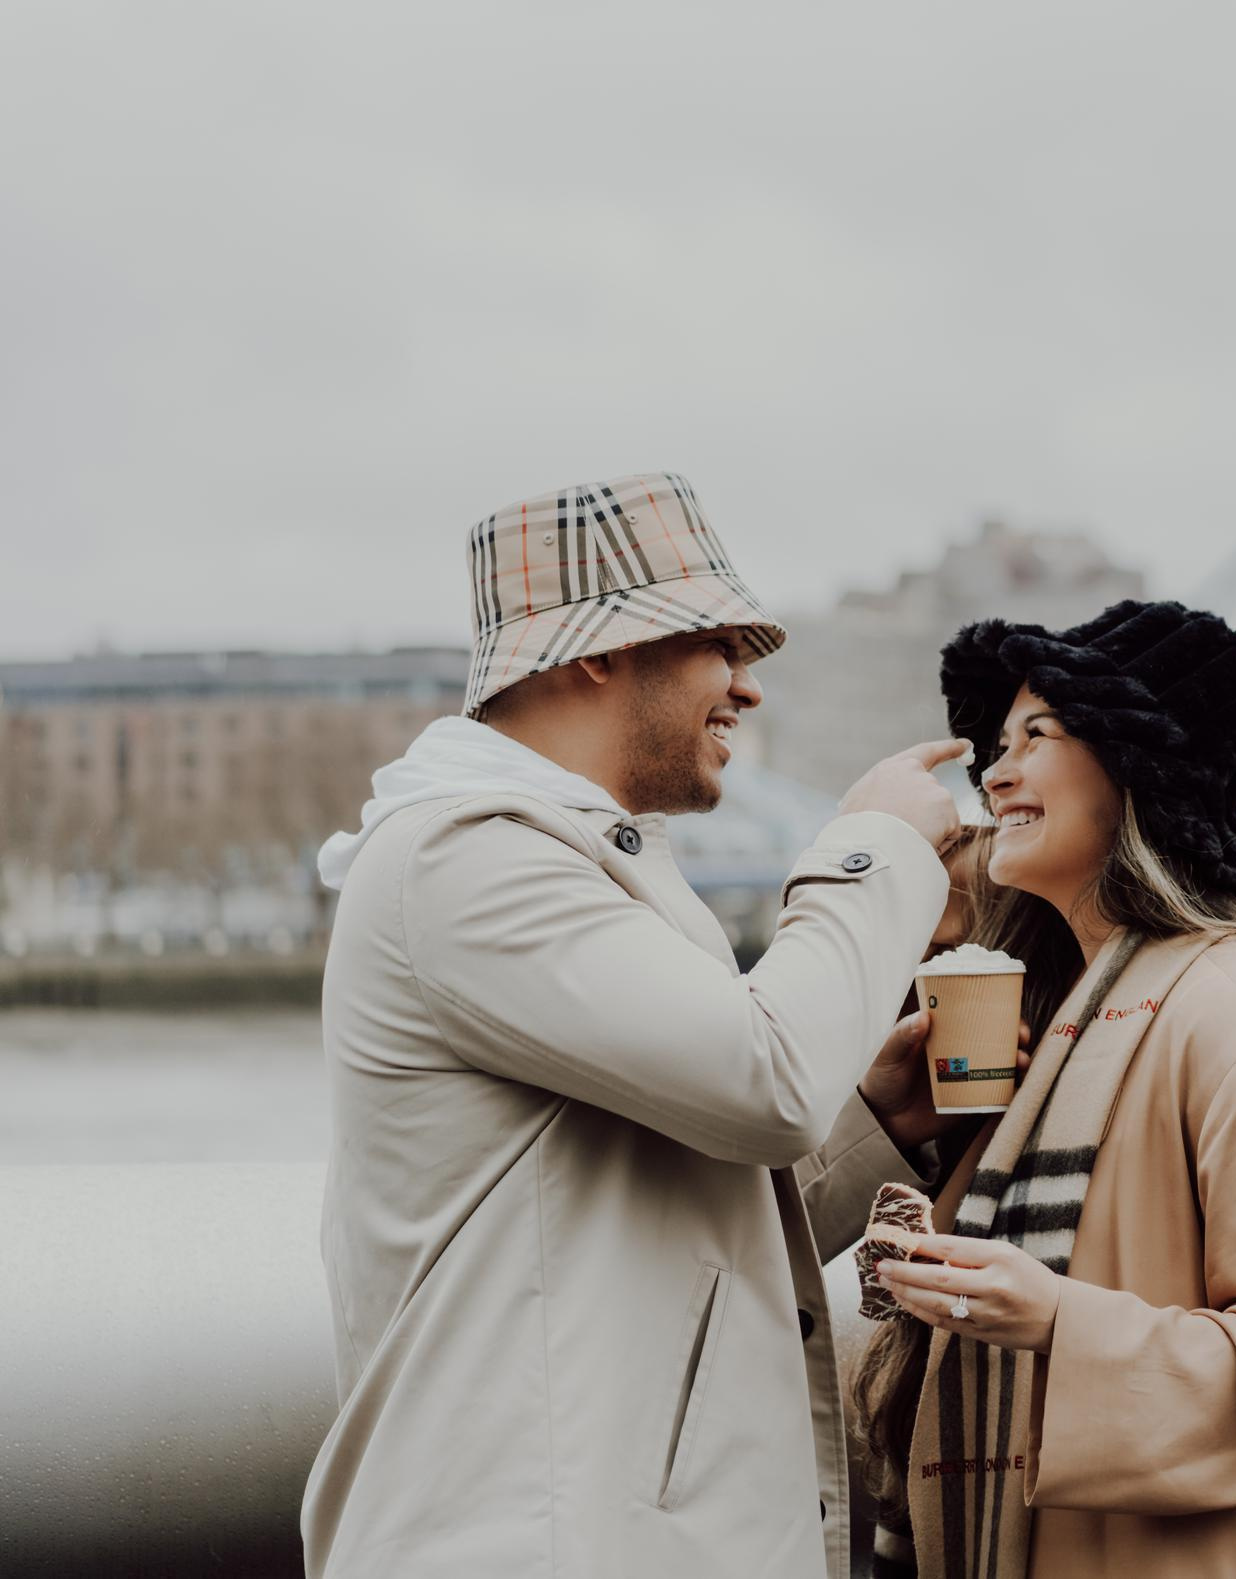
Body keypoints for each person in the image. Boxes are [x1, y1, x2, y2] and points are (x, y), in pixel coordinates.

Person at [301, 472, 979, 1578]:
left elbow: (653, 1230)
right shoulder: (463, 860)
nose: (749, 690)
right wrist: (872, 849)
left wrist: (874, 1125)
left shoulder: (561, 859)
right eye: (721, 644)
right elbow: (765, 1081)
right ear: (596, 652)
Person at [851, 599, 1236, 1579]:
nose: (995, 769)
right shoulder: (1067, 1009)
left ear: (1138, 772)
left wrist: (1058, 1321)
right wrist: (900, 1138)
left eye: (1039, 734)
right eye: (998, 740)